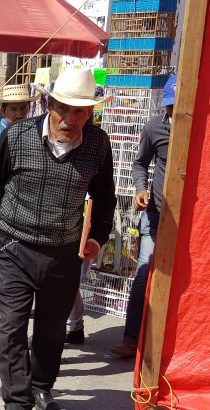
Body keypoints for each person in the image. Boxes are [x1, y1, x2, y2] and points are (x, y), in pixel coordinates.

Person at [0, 68, 116, 410]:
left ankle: (41, 387)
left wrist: (97, 237)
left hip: (64, 253)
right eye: (65, 110)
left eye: (81, 112)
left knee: (50, 330)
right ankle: (17, 406)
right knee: (12, 326)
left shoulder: (98, 144)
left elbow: (106, 199)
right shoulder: (18, 136)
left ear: (90, 114)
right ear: (50, 105)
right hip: (15, 244)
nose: (72, 120)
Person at [111, 75, 176, 358]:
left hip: (187, 221)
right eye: (170, 107)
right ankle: (131, 337)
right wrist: (139, 189)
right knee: (143, 275)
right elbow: (140, 164)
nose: (174, 112)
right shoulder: (154, 127)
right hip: (156, 214)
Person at [0, 85, 38, 320]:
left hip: (13, 204)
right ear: (3, 110)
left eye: (24, 107)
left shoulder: (19, 132)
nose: (20, 113)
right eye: (14, 108)